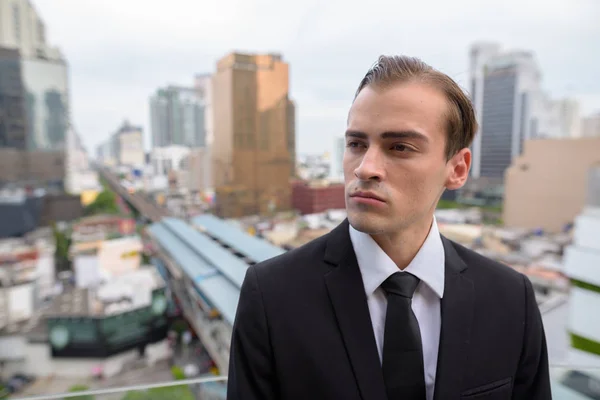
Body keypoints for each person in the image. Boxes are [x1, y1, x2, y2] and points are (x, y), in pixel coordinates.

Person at [227, 55, 551, 400]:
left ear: (457, 168)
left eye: (400, 147)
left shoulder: (510, 299)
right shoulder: (272, 296)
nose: (365, 168)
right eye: (356, 144)